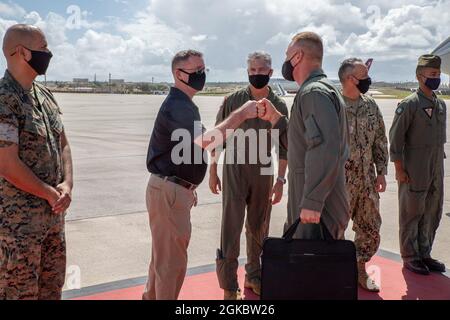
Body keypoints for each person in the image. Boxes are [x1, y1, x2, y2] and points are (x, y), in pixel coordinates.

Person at [143, 49, 264, 300]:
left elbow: (186, 148)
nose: (201, 74)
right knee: (170, 266)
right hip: (169, 191)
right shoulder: (179, 106)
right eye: (196, 71)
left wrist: (188, 185)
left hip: (172, 189)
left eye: (203, 70)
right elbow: (206, 141)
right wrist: (240, 115)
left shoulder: (184, 105)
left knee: (162, 260)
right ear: (179, 74)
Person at [0, 24, 73, 300]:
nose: (49, 53)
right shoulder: (4, 99)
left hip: (53, 222)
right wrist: (49, 192)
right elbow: (6, 163)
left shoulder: (45, 96)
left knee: (51, 291)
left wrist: (67, 183)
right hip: (18, 230)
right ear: (21, 52)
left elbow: (63, 143)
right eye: (43, 48)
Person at [210, 52, 289, 300]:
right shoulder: (233, 100)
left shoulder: (279, 105)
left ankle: (254, 276)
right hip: (234, 169)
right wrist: (213, 171)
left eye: (261, 70)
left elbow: (284, 146)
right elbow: (217, 138)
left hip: (264, 170)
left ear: (270, 72)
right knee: (230, 228)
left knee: (258, 227)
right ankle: (229, 286)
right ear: (247, 72)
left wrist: (280, 180)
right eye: (252, 70)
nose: (256, 74)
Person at [262, 31, 350, 240]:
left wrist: (313, 201)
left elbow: (324, 148)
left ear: (298, 56)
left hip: (316, 207)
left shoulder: (314, 93)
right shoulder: (318, 90)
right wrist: (277, 119)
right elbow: (303, 142)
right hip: (315, 197)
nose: (285, 61)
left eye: (287, 55)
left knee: (311, 267)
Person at [389, 54, 447, 275]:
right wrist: (399, 169)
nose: (436, 78)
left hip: (435, 169)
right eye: (432, 75)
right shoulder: (409, 105)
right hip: (414, 169)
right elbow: (395, 140)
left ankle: (425, 253)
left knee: (432, 211)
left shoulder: (440, 105)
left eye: (438, 75)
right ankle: (410, 256)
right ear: (419, 76)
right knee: (412, 212)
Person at [339, 58, 388, 291]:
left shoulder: (370, 106)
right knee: (334, 229)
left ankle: (360, 268)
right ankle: (332, 271)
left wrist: (381, 172)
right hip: (340, 182)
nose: (368, 80)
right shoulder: (334, 106)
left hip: (367, 179)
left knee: (370, 227)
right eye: (364, 76)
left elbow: (380, 140)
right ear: (350, 79)